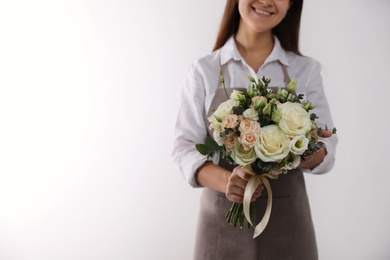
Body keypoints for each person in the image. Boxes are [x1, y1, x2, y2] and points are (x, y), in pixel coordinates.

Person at [172, 0, 338, 259]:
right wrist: (230, 182)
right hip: (220, 225)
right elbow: (184, 149)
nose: (266, 1)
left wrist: (305, 145)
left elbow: (326, 149)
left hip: (289, 225)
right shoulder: (204, 70)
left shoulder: (305, 70)